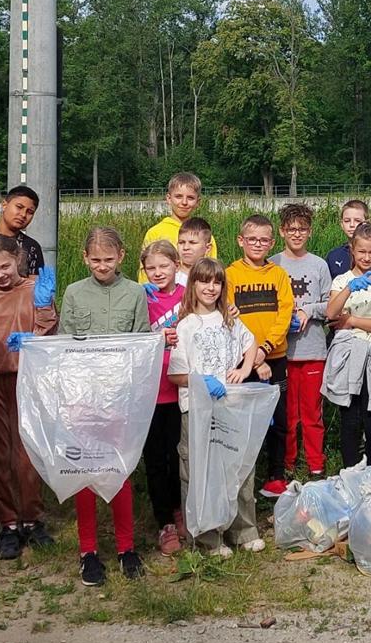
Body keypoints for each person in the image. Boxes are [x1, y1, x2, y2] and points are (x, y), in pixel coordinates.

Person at [57, 227, 148, 586]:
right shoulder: (74, 293)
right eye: (95, 260)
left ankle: (126, 547)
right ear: (85, 259)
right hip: (84, 397)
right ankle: (88, 551)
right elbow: (64, 344)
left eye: (108, 260)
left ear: (122, 256)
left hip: (120, 397)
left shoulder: (135, 293)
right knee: (85, 473)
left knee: (118, 470)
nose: (102, 265)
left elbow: (142, 343)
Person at [168, 258, 266, 555]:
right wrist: (200, 380)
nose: (210, 288)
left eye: (216, 282)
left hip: (230, 405)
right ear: (193, 285)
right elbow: (175, 375)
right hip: (197, 411)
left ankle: (243, 530)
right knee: (200, 473)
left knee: (238, 470)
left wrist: (245, 369)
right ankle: (207, 538)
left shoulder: (229, 319)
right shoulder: (185, 326)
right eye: (204, 281)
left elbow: (250, 344)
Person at [0, 235, 59, 561]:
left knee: (28, 456)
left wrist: (43, 313)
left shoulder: (34, 289)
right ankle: (7, 522)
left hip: (28, 379)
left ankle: (32, 519)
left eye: (6, 266)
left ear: (19, 259)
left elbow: (50, 333)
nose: (0, 274)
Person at [228, 215, 296, 496]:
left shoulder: (278, 274)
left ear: (272, 243)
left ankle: (276, 476)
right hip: (242, 361)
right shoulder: (230, 274)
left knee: (277, 420)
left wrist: (265, 350)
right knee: (242, 422)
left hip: (274, 356)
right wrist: (252, 355)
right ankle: (244, 478)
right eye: (252, 239)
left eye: (264, 240)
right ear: (241, 241)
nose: (258, 244)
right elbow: (230, 316)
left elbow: (285, 313)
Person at [323, 223, 371, 470]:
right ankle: (349, 472)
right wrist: (347, 291)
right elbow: (332, 313)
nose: (367, 257)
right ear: (352, 251)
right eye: (361, 252)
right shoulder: (342, 280)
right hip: (347, 357)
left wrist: (352, 320)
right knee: (350, 420)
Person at [273, 204, 331, 479]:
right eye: (291, 229)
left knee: (311, 413)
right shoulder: (273, 264)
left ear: (309, 231)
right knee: (287, 414)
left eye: (302, 229)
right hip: (281, 353)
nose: (297, 234)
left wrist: (309, 310)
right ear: (282, 231)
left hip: (312, 350)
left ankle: (316, 463)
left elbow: (330, 304)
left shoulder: (319, 265)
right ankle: (287, 462)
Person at [140, 241, 189, 555]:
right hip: (148, 390)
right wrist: (154, 337)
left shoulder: (188, 295)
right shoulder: (139, 298)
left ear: (176, 265)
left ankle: (180, 509)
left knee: (178, 456)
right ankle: (164, 522)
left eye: (164, 266)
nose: (158, 273)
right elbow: (129, 335)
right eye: (151, 268)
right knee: (155, 458)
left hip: (180, 388)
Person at [145, 172, 220, 262]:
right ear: (169, 198)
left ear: (198, 202)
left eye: (190, 198)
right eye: (178, 196)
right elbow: (145, 270)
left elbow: (212, 270)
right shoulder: (155, 233)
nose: (184, 202)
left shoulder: (204, 235)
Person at [325, 200, 371, 278]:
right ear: (342, 224)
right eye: (347, 221)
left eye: (357, 221)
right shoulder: (333, 256)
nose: (352, 225)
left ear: (366, 222)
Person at [175, 217, 216, 287]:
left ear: (207, 248)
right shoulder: (171, 279)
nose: (185, 247)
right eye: (181, 242)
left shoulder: (215, 278)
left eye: (192, 243)